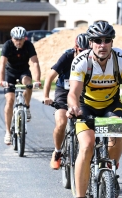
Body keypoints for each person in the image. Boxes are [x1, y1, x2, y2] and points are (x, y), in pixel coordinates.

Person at [67, 21, 122, 198]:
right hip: (86, 107)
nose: (102, 45)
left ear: (112, 42)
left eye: (107, 40)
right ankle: (80, 196)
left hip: (110, 106)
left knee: (116, 136)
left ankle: (110, 169)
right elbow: (73, 92)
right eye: (97, 40)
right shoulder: (81, 61)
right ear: (90, 42)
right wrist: (73, 107)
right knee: (87, 146)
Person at [43, 33, 90, 170]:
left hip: (82, 93)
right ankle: (57, 152)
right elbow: (50, 76)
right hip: (63, 92)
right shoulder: (67, 56)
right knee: (61, 122)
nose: (84, 55)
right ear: (76, 49)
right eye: (81, 52)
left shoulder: (94, 59)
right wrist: (46, 96)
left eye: (88, 52)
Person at [0, 26, 41, 145]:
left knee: (28, 84)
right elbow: (2, 63)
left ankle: (26, 106)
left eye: (21, 39)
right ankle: (7, 132)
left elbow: (35, 62)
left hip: (23, 72)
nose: (18, 42)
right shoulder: (7, 45)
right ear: (12, 38)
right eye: (16, 39)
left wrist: (37, 80)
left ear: (24, 38)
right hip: (10, 73)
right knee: (10, 101)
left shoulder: (28, 45)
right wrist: (2, 80)